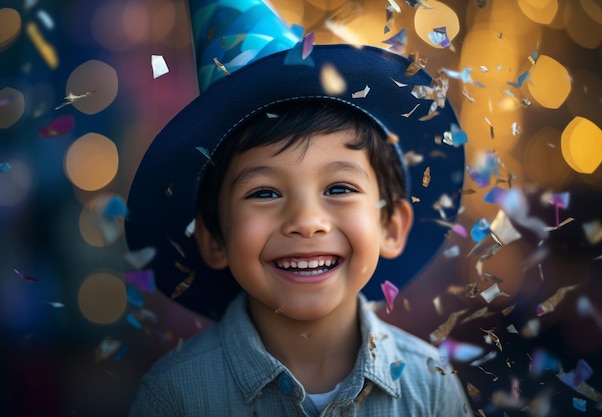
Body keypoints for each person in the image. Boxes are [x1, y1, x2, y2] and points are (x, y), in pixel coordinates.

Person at [125, 1, 468, 416]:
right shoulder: (174, 396)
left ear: (391, 225)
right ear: (213, 235)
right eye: (265, 193)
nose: (306, 222)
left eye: (339, 188)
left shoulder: (431, 385)